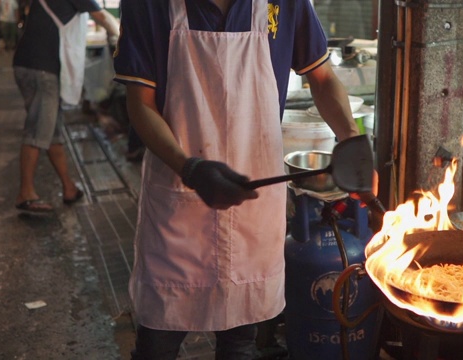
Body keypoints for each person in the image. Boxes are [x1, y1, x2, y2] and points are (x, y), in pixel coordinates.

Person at [113, 0, 374, 358]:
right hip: (179, 197)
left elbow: (324, 78)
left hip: (253, 200)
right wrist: (189, 168)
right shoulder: (150, 6)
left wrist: (350, 139)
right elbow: (140, 104)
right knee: (159, 337)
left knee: (240, 340)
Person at [12, 0, 120, 213]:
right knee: (38, 129)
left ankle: (68, 187)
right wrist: (125, 37)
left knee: (52, 130)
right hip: (42, 69)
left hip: (31, 65)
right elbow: (103, 17)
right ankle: (25, 192)